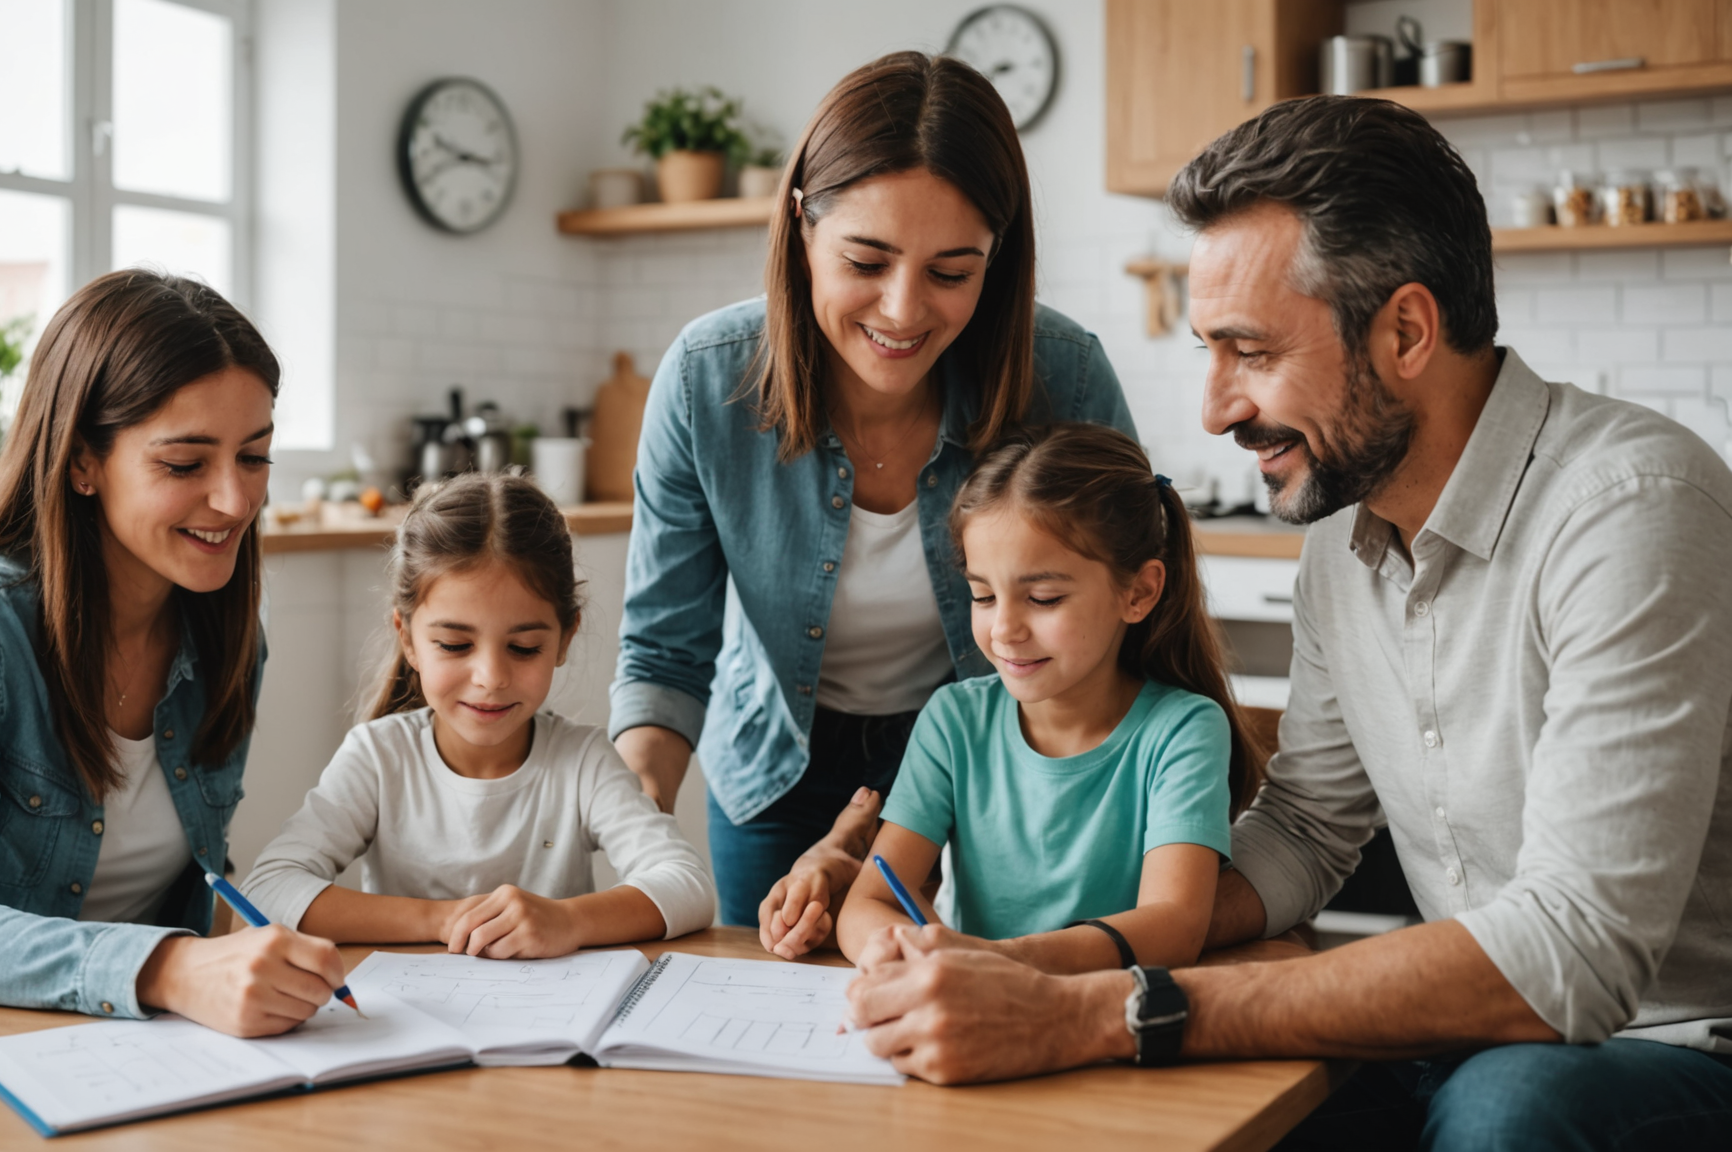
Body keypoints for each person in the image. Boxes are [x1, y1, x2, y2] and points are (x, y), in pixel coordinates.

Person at [842, 95, 1732, 1149]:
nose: (1216, 408)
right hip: (1468, 1032)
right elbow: (1307, 828)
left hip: (1666, 1042)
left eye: (1249, 352)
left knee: (1510, 1122)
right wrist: (1033, 955)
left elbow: (1574, 952)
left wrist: (1102, 1010)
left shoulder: (1629, 507)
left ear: (1405, 329)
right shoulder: (1341, 547)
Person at [610, 50, 1134, 942]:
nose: (902, 310)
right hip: (776, 762)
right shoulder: (707, 381)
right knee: (774, 1011)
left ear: (996, 263)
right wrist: (632, 833)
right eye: (867, 259)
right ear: (802, 226)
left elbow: (1132, 629)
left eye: (951, 272)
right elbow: (665, 655)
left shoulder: (1064, 375)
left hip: (1005, 746)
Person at [0, 270, 350, 1044]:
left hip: (91, 1048)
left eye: (254, 457)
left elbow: (185, 892)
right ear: (83, 461)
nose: (235, 500)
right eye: (185, 464)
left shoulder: (228, 629)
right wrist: (173, 968)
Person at [835, 423, 1256, 973]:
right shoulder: (954, 721)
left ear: (1139, 591)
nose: (1004, 628)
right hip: (977, 1014)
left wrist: (999, 962)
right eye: (982, 595)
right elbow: (867, 905)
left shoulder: (1182, 730)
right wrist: (910, 956)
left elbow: (1174, 925)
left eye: (1043, 598)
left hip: (1109, 1024)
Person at [240, 473, 714, 957]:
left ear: (564, 639)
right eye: (455, 645)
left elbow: (688, 886)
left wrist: (568, 920)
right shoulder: (378, 758)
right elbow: (267, 891)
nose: (490, 677)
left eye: (524, 647)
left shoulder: (584, 762)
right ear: (407, 638)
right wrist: (443, 919)